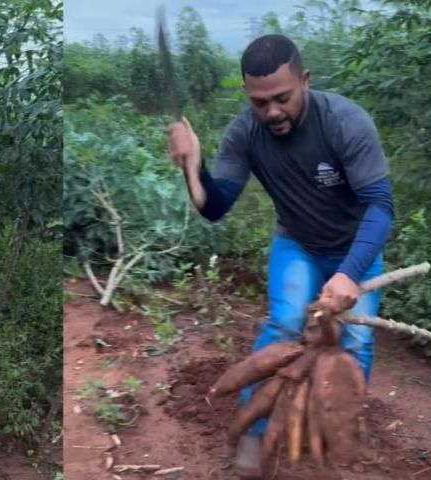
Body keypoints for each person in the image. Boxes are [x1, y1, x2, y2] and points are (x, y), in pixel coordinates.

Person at [166, 35, 394, 479]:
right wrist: (192, 166)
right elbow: (214, 206)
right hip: (297, 244)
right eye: (259, 101)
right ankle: (256, 428)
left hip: (356, 247)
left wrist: (349, 274)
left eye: (282, 98)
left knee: (357, 341)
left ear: (304, 81)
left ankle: (338, 428)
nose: (271, 112)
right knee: (285, 324)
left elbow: (380, 205)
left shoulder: (345, 123)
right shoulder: (245, 133)